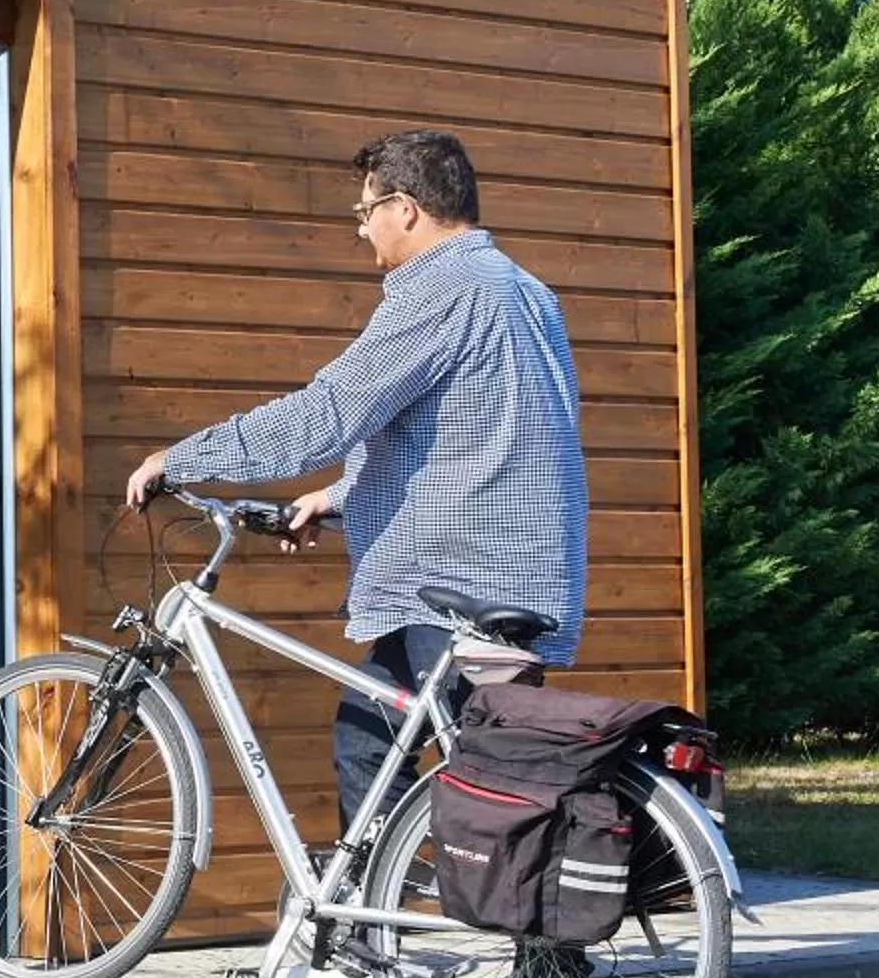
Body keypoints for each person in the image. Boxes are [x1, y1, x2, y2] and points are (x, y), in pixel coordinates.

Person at [121, 129, 589, 831]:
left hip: (460, 584)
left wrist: (181, 458)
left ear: (405, 209)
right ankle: (371, 931)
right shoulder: (525, 291)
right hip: (505, 573)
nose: (361, 228)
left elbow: (328, 415)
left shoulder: (443, 289)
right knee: (369, 741)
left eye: (364, 210)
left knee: (496, 794)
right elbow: (485, 438)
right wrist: (336, 499)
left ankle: (543, 941)